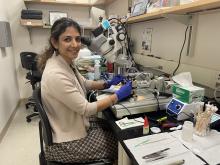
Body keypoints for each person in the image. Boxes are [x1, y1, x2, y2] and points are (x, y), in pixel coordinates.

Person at [37, 17, 132, 163]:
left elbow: (85, 83)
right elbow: (87, 109)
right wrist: (117, 96)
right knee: (124, 142)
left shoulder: (63, 62)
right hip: (66, 144)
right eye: (67, 39)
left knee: (116, 127)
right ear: (55, 42)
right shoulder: (55, 74)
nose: (75, 44)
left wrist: (107, 84)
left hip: (71, 126)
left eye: (77, 39)